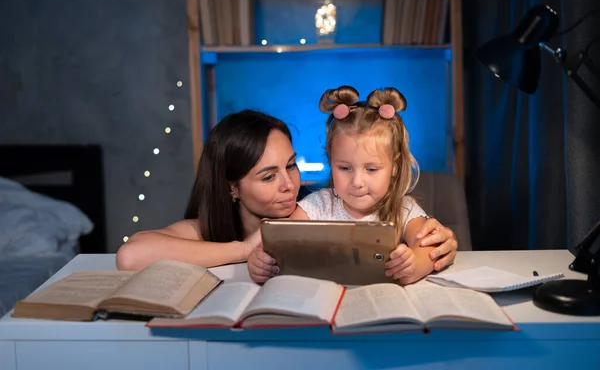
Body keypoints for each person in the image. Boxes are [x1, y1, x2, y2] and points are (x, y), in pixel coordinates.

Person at [116, 109, 458, 272]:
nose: (290, 185)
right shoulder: (209, 227)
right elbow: (131, 254)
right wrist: (244, 249)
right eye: (268, 177)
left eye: (291, 166)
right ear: (232, 188)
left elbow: (421, 237)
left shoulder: (315, 205)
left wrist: (433, 248)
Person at [248, 86, 440, 285]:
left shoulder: (403, 208)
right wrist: (260, 261)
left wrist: (414, 265)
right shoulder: (318, 206)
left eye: (371, 169)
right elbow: (280, 242)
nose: (357, 182)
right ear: (331, 162)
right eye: (345, 168)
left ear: (395, 166)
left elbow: (430, 247)